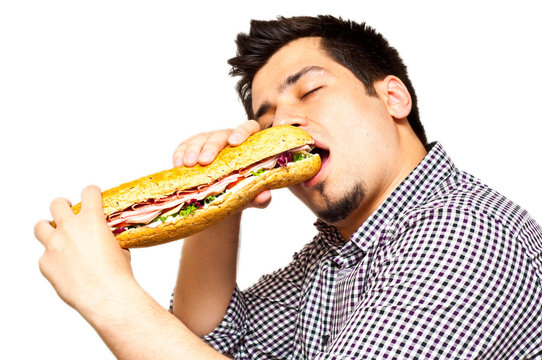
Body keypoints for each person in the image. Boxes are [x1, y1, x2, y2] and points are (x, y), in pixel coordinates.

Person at [34, 15, 542, 359]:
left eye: (310, 89)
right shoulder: (336, 254)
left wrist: (104, 294)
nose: (284, 126)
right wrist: (219, 194)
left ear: (393, 98)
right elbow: (201, 340)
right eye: (266, 118)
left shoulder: (468, 231)